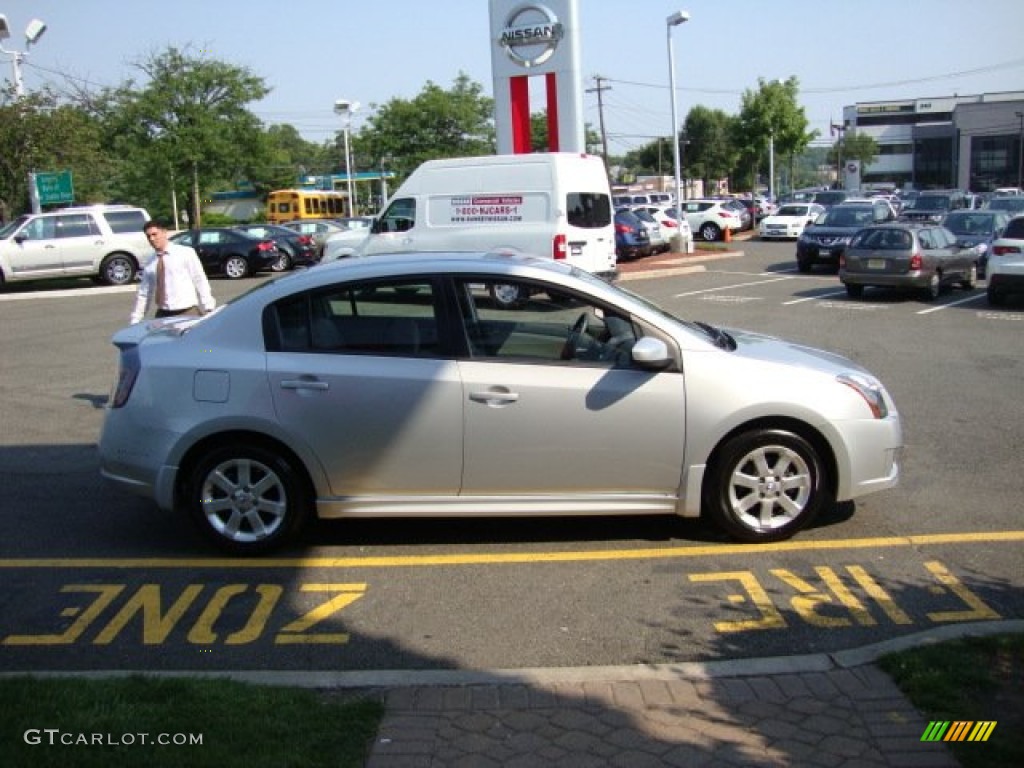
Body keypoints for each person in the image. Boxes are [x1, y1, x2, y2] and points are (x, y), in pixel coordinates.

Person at [129, 220, 216, 324]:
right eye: (148, 236)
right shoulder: (150, 262)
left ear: (164, 232)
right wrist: (135, 319)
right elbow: (144, 293)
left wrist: (209, 307)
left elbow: (200, 280)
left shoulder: (185, 253)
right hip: (163, 314)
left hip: (187, 312)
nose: (152, 239)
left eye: (154, 234)